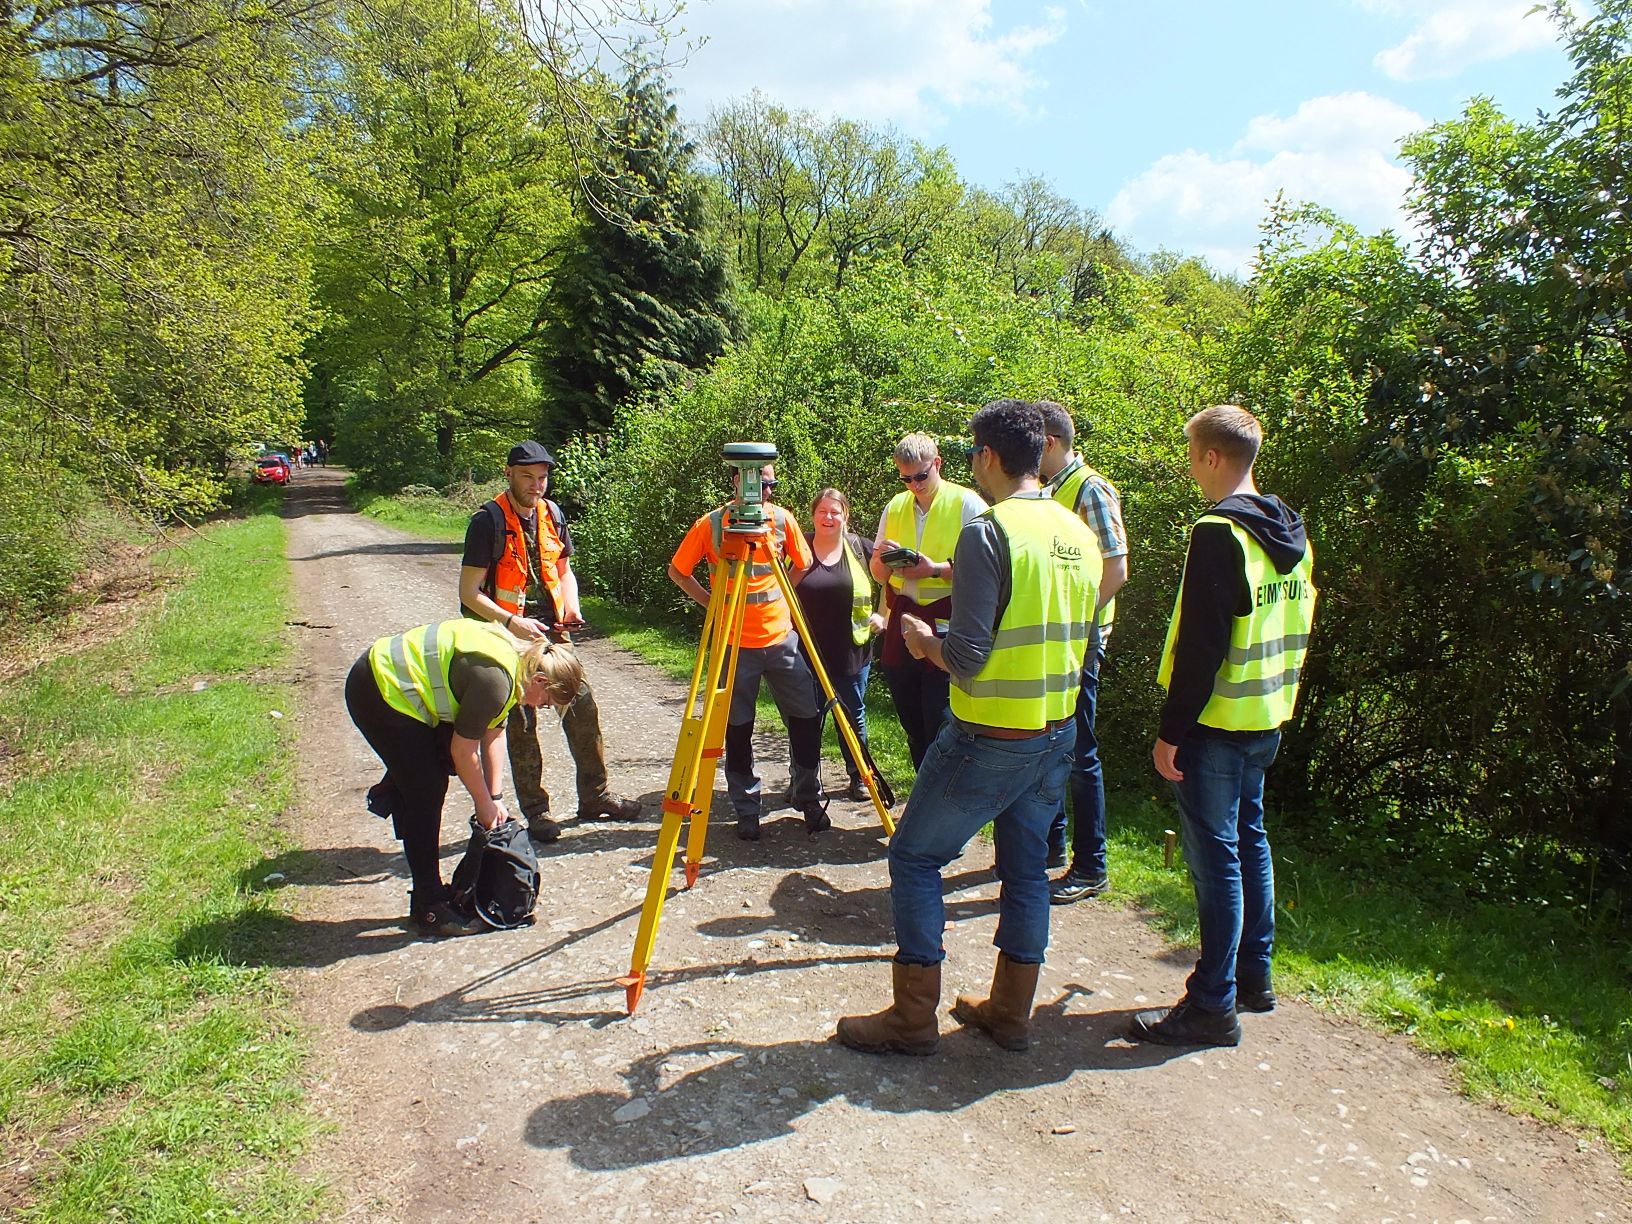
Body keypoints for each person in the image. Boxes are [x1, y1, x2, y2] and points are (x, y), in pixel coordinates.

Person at [837, 400, 1101, 1056]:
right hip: (1057, 731)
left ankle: (912, 1020)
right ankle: (1010, 1014)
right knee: (1027, 869)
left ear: (986, 457)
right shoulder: (1077, 532)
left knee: (913, 854)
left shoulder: (990, 530)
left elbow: (968, 657)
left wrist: (926, 641)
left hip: (990, 733)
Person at [1130, 405, 1317, 1048]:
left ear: (1212, 458)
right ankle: (1251, 977)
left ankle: (1212, 1004)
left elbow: (1204, 644)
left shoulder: (1219, 532)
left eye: (1191, 456)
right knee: (1250, 840)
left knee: (1218, 861)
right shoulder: (1291, 530)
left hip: (1214, 721)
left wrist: (1170, 731)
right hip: (1266, 713)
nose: (1191, 470)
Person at [345, 618, 583, 935]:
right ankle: (429, 908)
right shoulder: (495, 681)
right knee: (427, 789)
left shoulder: (515, 664)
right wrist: (482, 804)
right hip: (378, 688)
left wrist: (495, 798)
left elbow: (494, 731)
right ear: (540, 680)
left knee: (424, 775)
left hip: (394, 683)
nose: (542, 708)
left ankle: (400, 792)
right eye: (548, 702)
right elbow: (463, 751)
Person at [459, 440, 642, 844]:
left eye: (542, 477)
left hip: (553, 631)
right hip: (504, 636)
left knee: (581, 706)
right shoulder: (486, 521)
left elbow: (564, 570)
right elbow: (469, 592)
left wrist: (571, 608)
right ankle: (537, 811)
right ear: (509, 474)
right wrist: (513, 621)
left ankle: (595, 796)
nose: (536, 484)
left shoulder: (553, 514)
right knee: (522, 722)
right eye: (527, 476)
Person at [668, 461, 826, 839]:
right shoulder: (712, 525)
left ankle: (806, 795)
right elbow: (678, 570)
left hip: (781, 639)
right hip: (734, 644)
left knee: (807, 719)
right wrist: (713, 604)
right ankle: (746, 808)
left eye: (772, 484)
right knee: (738, 731)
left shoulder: (782, 521)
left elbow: (804, 563)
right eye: (760, 483)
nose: (767, 492)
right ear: (739, 479)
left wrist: (785, 594)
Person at [1037, 402, 1130, 904]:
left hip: (1080, 643)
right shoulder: (1052, 490)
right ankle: (1053, 845)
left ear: (1049, 443)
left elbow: (1115, 568)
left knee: (1080, 753)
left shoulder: (1090, 488)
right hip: (1056, 640)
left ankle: (1091, 866)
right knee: (1053, 743)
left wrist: (1078, 621)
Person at [870, 432, 987, 769]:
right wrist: (882, 559)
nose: (915, 485)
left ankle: (945, 805)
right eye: (906, 478)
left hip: (948, 621)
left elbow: (987, 572)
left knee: (942, 721)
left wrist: (934, 570)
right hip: (904, 620)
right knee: (911, 721)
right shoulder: (895, 506)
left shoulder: (968, 504)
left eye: (921, 476)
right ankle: (922, 800)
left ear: (937, 463)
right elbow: (879, 575)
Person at [793, 488, 884, 802]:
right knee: (805, 718)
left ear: (846, 516)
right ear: (813, 515)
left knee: (852, 716)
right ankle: (803, 784)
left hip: (851, 653)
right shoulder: (797, 546)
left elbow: (895, 578)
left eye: (835, 512)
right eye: (822, 511)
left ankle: (859, 776)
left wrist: (883, 615)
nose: (828, 517)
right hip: (804, 653)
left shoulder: (860, 548)